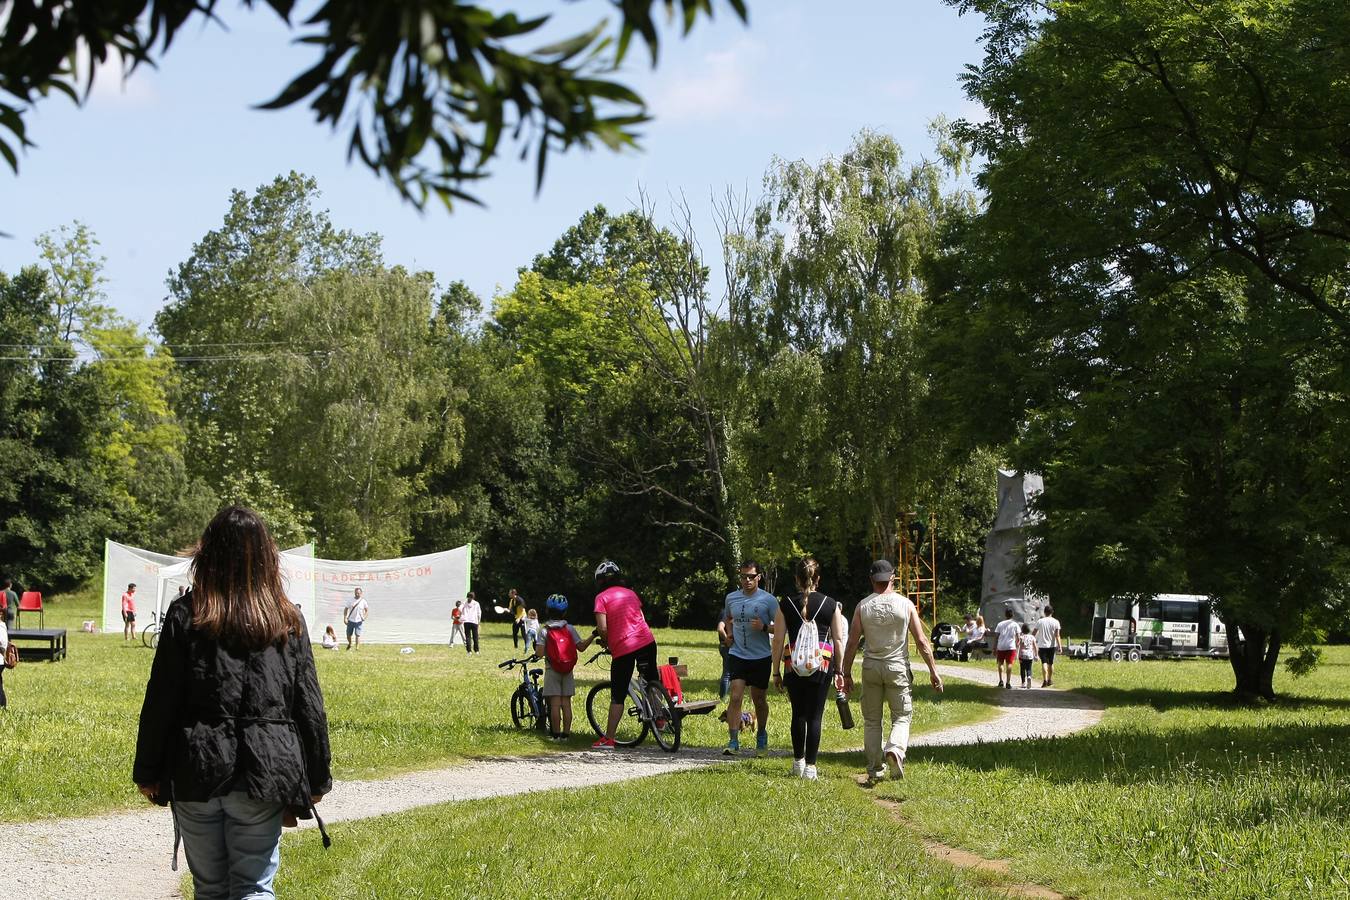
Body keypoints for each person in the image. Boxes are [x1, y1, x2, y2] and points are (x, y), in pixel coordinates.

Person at [133, 505, 332, 900]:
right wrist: (317, 776)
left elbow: (162, 699)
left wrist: (148, 770)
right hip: (264, 770)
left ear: (207, 554)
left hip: (197, 766)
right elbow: (308, 704)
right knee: (253, 888)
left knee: (209, 889)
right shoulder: (286, 619)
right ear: (266, 558)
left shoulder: (186, 614)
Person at [841, 559, 944, 784]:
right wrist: (933, 671)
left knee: (871, 720)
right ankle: (895, 750)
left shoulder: (862, 606)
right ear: (893, 578)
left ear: (871, 580)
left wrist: (845, 673)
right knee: (902, 716)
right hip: (897, 667)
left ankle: (874, 769)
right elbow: (922, 641)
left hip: (871, 668)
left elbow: (851, 643)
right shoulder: (906, 605)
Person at [770, 557, 846, 780]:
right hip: (821, 664)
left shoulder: (785, 604)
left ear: (796, 579)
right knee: (815, 716)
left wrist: (775, 671)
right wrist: (840, 670)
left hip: (793, 665)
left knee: (798, 714)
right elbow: (839, 639)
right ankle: (811, 767)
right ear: (818, 579)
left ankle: (798, 762)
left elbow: (778, 640)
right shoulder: (831, 604)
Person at [591, 560, 658, 751]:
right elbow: (641, 618)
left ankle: (609, 738)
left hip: (623, 648)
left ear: (600, 580)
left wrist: (606, 641)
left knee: (618, 694)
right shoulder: (630, 593)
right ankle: (660, 717)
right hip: (646, 641)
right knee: (651, 679)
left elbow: (602, 628)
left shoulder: (601, 598)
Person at [719, 559, 778, 757]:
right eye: (743, 576)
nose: (747, 580)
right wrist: (729, 635)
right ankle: (733, 741)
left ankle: (761, 736)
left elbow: (780, 628)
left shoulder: (768, 600)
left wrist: (763, 627)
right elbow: (727, 619)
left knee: (759, 700)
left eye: (751, 577)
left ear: (758, 577)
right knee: (735, 697)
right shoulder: (731, 598)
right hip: (738, 654)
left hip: (761, 656)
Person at [537, 594, 595, 740]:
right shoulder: (569, 628)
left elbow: (539, 653)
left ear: (547, 611)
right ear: (565, 612)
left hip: (552, 669)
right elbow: (581, 647)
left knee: (555, 704)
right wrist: (593, 635)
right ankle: (566, 735)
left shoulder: (544, 630)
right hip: (568, 669)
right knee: (566, 703)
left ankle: (556, 735)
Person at [1035, 604, 1064, 687]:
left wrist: (1031, 640)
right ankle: (1050, 680)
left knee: (1044, 663)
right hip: (1052, 645)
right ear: (1052, 612)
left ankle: (1044, 680)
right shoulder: (1056, 622)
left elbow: (1034, 632)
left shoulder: (1040, 621)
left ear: (1044, 612)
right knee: (1050, 663)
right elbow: (1057, 635)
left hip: (1042, 645)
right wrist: (1060, 646)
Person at [994, 608, 1021, 689]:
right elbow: (1018, 637)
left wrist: (994, 647)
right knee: (1009, 663)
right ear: (1012, 615)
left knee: (1000, 663)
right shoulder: (1015, 624)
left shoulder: (1000, 624)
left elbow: (996, 637)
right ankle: (1008, 682)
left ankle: (1001, 681)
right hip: (1011, 646)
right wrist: (1017, 644)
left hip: (1001, 646)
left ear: (1005, 615)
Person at [1016, 623, 1037, 689]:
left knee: (1022, 669)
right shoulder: (1032, 637)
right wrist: (1036, 654)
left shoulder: (1021, 637)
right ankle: (1029, 676)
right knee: (1029, 668)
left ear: (1022, 630)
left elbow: (1018, 645)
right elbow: (1035, 646)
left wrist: (1018, 655)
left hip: (1022, 655)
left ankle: (1023, 683)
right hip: (1030, 655)